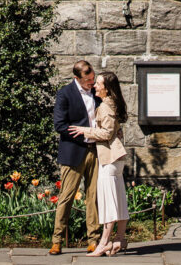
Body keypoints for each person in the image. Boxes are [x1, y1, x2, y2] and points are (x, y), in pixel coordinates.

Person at [68, 70, 129, 257]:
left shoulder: (105, 107)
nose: (95, 86)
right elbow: (114, 131)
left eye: (99, 84)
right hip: (115, 158)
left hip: (109, 159)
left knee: (109, 202)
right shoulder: (113, 104)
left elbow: (107, 134)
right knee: (119, 199)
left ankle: (104, 243)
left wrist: (84, 131)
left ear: (107, 89)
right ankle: (119, 239)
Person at [50, 60, 102, 255]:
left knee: (94, 196)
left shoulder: (97, 93)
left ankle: (94, 240)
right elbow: (60, 125)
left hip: (95, 150)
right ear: (76, 78)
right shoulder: (65, 93)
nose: (92, 83)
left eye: (93, 79)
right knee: (66, 197)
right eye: (88, 81)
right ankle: (57, 240)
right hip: (73, 150)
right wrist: (84, 132)